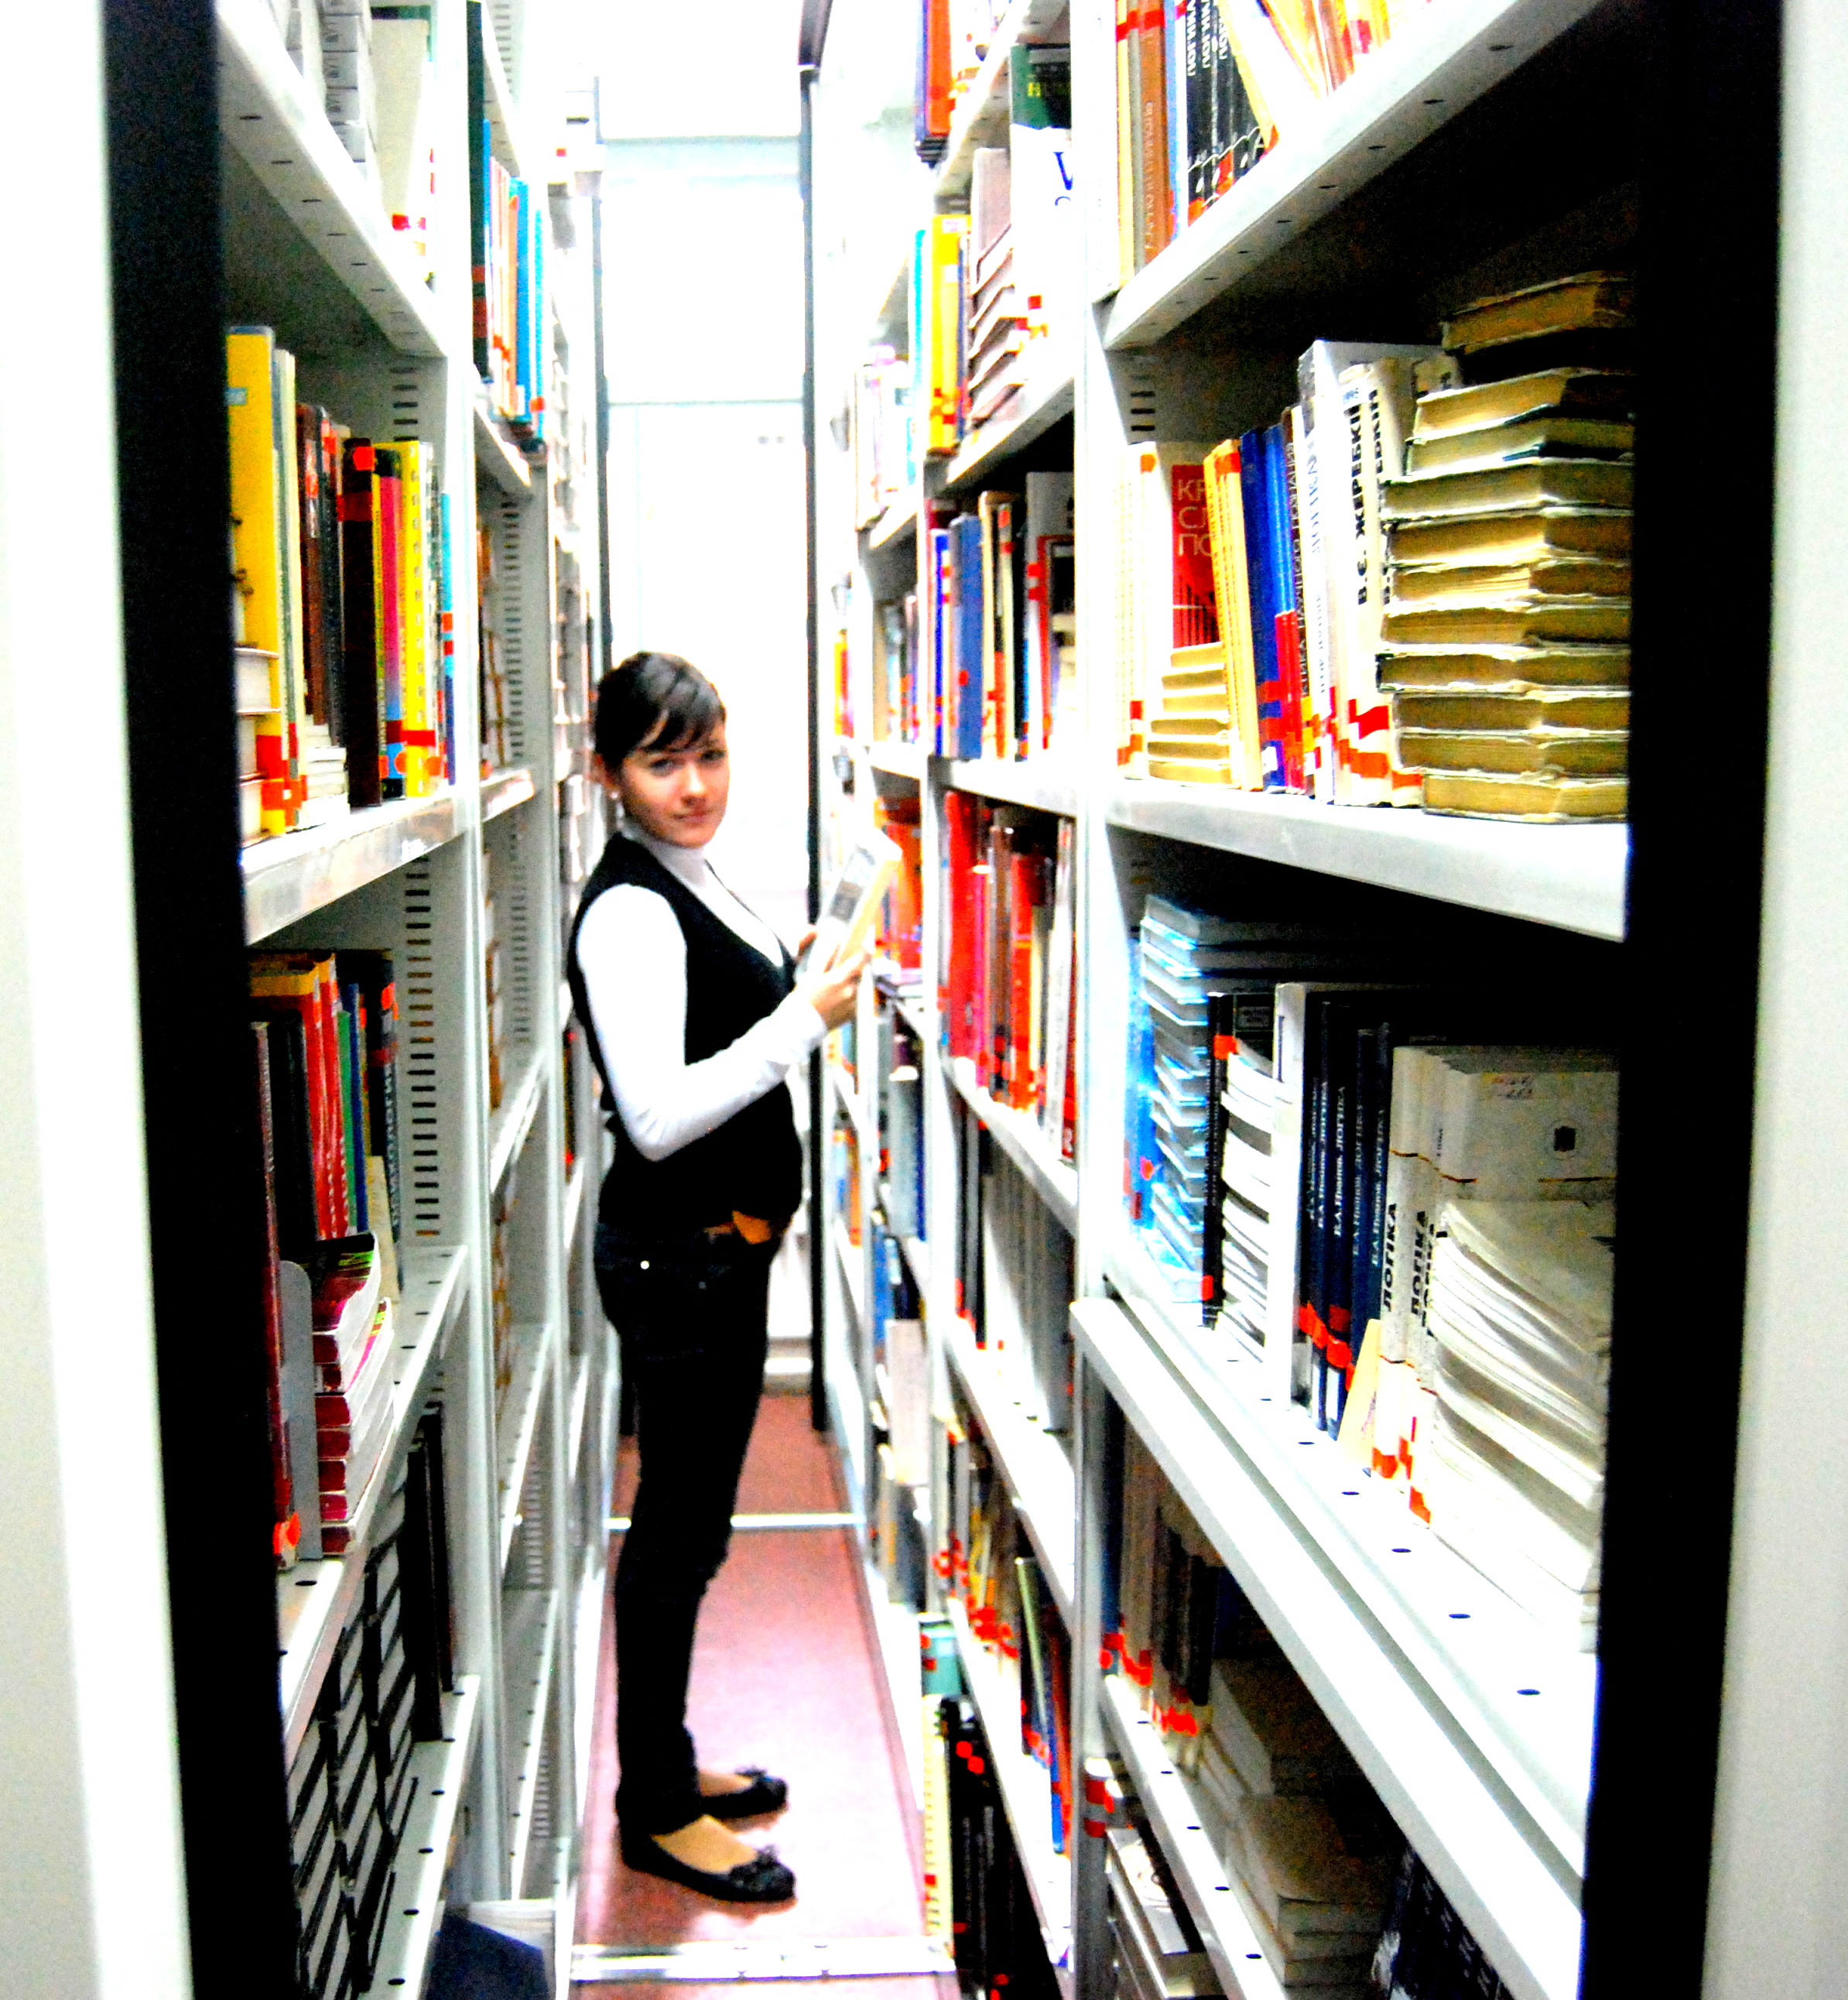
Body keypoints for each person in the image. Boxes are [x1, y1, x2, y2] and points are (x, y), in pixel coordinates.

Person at [566, 650, 865, 1905]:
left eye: (712, 755)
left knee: (692, 1533)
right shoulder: (629, 908)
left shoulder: (691, 871)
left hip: (714, 1259)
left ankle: (669, 1763)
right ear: (609, 773)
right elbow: (655, 1119)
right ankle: (655, 1810)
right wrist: (801, 1021)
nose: (695, 786)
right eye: (662, 763)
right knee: (675, 1538)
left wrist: (791, 969)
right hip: (679, 1263)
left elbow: (713, 1013)